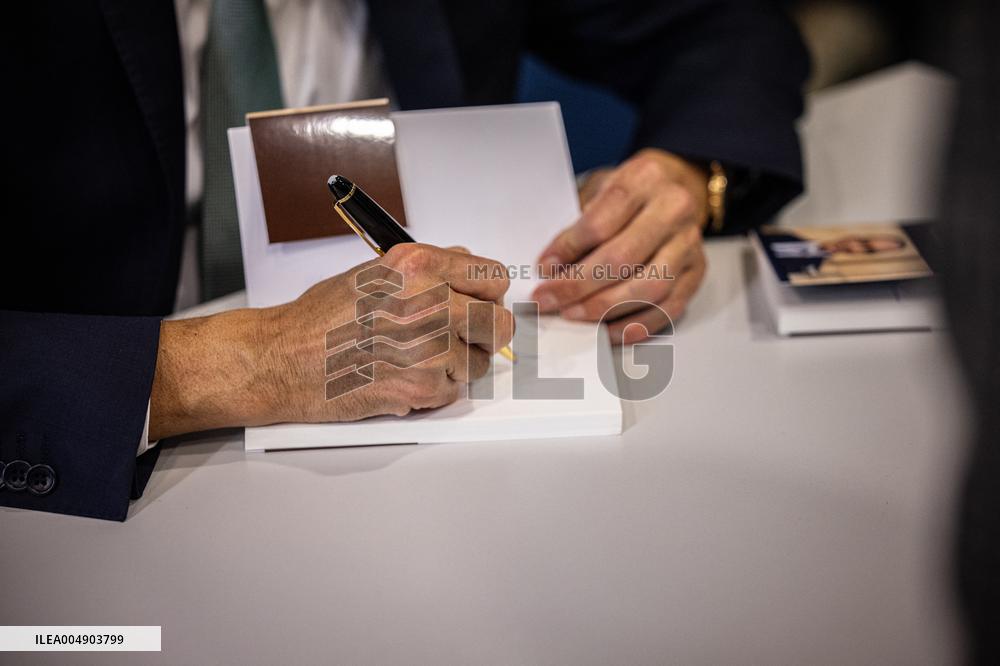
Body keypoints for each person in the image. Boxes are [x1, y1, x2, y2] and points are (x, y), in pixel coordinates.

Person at [1, 0, 808, 520]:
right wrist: (236, 362)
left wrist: (687, 177)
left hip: (442, 483)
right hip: (99, 485)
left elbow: (726, 26)